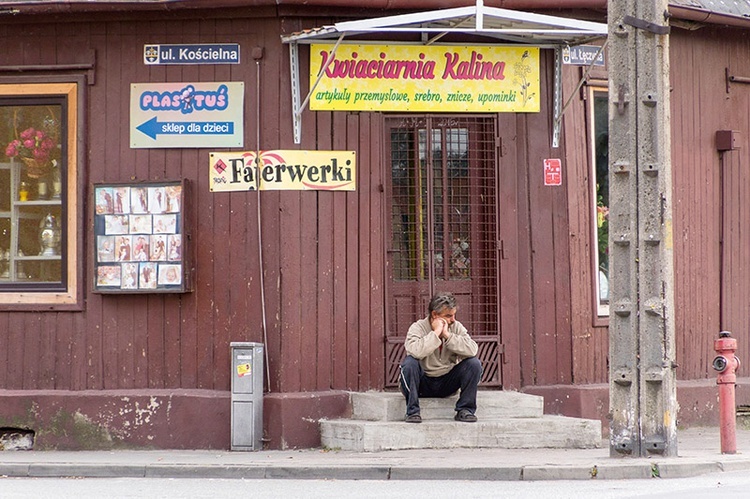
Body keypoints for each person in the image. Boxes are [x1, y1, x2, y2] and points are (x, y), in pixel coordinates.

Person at [399, 292, 482, 423]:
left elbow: (472, 350)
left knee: (474, 364)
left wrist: (448, 336)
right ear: (435, 315)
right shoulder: (418, 327)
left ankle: (465, 410)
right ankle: (412, 412)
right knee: (409, 363)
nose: (453, 319)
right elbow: (414, 351)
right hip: (422, 383)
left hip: (446, 382)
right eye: (448, 316)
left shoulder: (456, 326)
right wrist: (436, 333)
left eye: (454, 315)